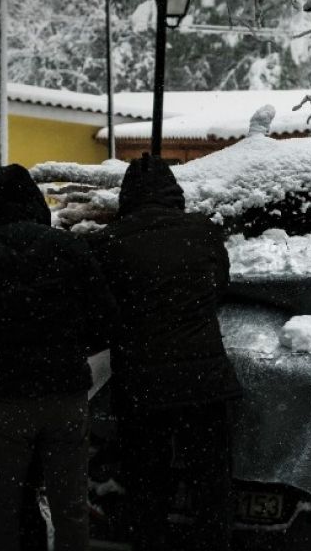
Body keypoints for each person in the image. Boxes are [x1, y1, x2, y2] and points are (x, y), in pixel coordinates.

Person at [0, 165, 119, 551]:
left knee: (3, 511)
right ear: (35, 203)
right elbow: (107, 323)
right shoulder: (71, 249)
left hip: (6, 398)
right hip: (66, 397)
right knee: (71, 509)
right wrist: (69, 347)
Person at [88, 154, 242, 551]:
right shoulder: (203, 231)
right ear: (173, 191)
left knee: (146, 488)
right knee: (210, 488)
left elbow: (100, 312)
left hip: (142, 388)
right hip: (205, 384)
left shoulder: (106, 242)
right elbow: (218, 288)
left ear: (127, 196)